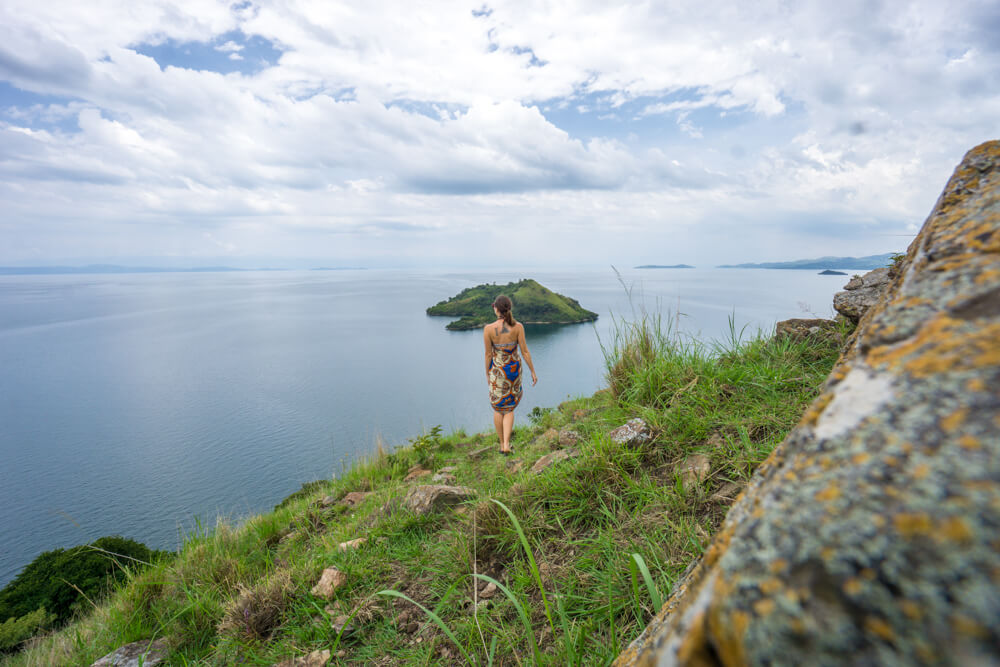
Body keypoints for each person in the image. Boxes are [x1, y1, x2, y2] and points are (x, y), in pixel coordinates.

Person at [484, 294, 537, 454]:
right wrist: (533, 371)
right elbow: (525, 351)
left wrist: (487, 373)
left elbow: (488, 355)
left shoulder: (488, 329)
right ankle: (507, 444)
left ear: (496, 309)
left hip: (498, 372)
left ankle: (502, 445)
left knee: (498, 408)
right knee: (509, 408)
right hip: (513, 371)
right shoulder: (518, 327)